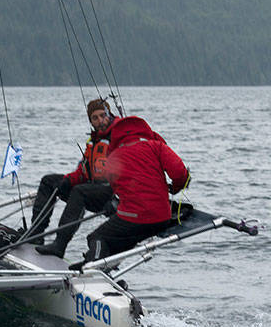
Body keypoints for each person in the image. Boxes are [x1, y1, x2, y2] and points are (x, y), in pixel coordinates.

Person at [82, 114, 190, 263]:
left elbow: (115, 188)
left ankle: (92, 267)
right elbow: (180, 174)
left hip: (134, 219)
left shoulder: (113, 158)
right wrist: (175, 189)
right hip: (162, 217)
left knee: (96, 237)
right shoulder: (156, 146)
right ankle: (99, 266)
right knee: (117, 244)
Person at [29, 98, 116, 257]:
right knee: (49, 181)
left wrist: (119, 198)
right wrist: (67, 180)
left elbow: (132, 174)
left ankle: (59, 245)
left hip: (111, 195)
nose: (100, 121)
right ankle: (36, 235)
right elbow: (83, 172)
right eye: (94, 118)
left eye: (103, 115)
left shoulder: (119, 138)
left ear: (109, 114)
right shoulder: (94, 140)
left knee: (79, 191)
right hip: (93, 189)